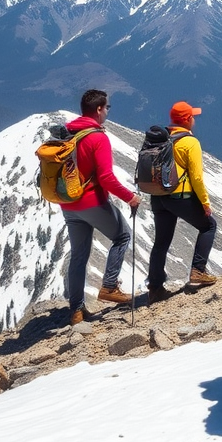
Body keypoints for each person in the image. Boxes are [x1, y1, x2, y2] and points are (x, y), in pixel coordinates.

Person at [62, 89, 141, 325]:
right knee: (122, 235)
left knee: (78, 255)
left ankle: (76, 310)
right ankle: (109, 286)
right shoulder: (98, 138)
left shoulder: (68, 133)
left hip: (68, 204)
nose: (108, 111)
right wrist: (130, 198)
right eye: (107, 107)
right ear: (98, 109)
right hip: (91, 201)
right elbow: (106, 177)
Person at [146, 100, 219, 303]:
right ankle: (198, 271)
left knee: (161, 242)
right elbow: (196, 177)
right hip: (179, 197)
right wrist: (204, 203)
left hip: (158, 197)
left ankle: (155, 288)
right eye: (193, 116)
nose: (194, 119)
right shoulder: (189, 142)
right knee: (209, 226)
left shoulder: (161, 139)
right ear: (187, 119)